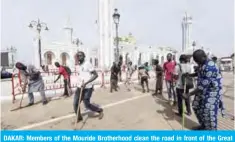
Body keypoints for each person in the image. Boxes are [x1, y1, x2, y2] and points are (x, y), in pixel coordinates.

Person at [183, 49, 224, 130]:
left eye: (198, 61)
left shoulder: (210, 67)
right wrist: (189, 75)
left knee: (209, 112)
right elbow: (199, 73)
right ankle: (204, 126)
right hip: (202, 91)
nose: (197, 63)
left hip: (211, 93)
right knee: (196, 106)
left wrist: (189, 94)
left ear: (204, 57)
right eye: (196, 61)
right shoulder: (202, 63)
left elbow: (202, 86)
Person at [74, 51, 104, 122]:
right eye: (78, 56)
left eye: (81, 56)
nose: (79, 57)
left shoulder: (87, 64)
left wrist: (86, 82)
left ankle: (100, 110)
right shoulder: (78, 65)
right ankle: (79, 117)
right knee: (75, 103)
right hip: (79, 87)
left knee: (87, 105)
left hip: (87, 88)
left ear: (84, 56)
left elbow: (95, 75)